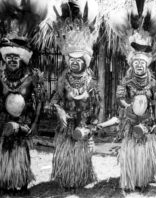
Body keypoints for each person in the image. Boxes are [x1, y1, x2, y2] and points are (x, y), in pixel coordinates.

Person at [35, 0, 101, 189]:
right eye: (70, 59)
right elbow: (54, 99)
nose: (73, 63)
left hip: (82, 125)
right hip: (66, 126)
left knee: (80, 155)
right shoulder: (64, 79)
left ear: (85, 60)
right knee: (66, 153)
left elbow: (97, 107)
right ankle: (66, 179)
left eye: (78, 59)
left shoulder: (90, 82)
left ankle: (80, 179)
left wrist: (91, 127)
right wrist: (60, 111)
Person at [110, 0, 156, 191]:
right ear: (132, 64)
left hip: (146, 121)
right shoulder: (127, 81)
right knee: (130, 149)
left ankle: (144, 177)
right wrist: (126, 106)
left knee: (145, 149)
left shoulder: (151, 82)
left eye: (142, 63)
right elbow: (120, 96)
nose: (138, 65)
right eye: (136, 63)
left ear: (146, 65)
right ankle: (131, 178)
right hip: (130, 120)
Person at [0, 0, 47, 194]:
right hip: (4, 122)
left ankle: (21, 181)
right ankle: (4, 181)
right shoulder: (0, 76)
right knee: (5, 151)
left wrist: (30, 124)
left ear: (23, 57)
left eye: (16, 56)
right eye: (8, 56)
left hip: (24, 121)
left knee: (20, 151)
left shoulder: (32, 78)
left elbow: (38, 103)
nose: (12, 60)